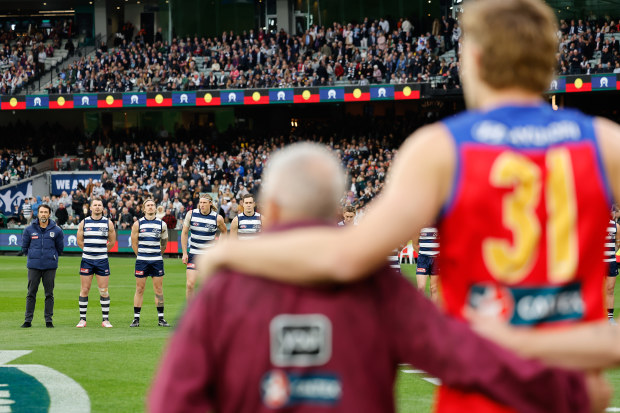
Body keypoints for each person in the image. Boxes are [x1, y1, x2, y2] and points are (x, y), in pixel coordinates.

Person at [199, 0, 620, 411]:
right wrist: (550, 344)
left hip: (478, 398)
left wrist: (233, 250)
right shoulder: (605, 143)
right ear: (551, 59)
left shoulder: (440, 149)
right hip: (569, 394)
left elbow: (348, 256)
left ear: (472, 56)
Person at [150, 143, 604, 413]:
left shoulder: (223, 290)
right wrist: (569, 389)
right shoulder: (378, 286)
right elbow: (466, 356)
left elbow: (173, 401)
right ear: (336, 211)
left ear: (268, 210)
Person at [20, 204, 64, 328]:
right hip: (34, 266)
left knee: (49, 294)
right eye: (41, 212)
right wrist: (34, 256)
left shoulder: (57, 230)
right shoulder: (29, 229)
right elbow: (24, 248)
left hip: (50, 266)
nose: (43, 214)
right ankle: (28, 320)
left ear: (49, 214)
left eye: (45, 212)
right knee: (31, 293)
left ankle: (48, 320)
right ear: (37, 214)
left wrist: (51, 256)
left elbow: (60, 248)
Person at [75, 197, 116, 328]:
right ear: (91, 208)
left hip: (102, 261)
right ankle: (82, 319)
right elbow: (79, 241)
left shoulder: (108, 223)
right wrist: (89, 251)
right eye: (95, 205)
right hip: (87, 260)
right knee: (85, 289)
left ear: (103, 208)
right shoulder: (84, 223)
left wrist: (102, 251)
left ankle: (105, 320)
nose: (97, 207)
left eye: (99, 205)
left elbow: (112, 242)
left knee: (103, 290)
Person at [130, 198, 169, 327]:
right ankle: (136, 319)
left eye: (153, 205)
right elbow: (134, 243)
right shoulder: (138, 224)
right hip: (142, 261)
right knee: (140, 289)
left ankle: (161, 319)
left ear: (156, 208)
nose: (151, 207)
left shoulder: (161, 224)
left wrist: (158, 254)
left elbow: (164, 243)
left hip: (157, 260)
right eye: (148, 205)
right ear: (144, 208)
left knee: (158, 289)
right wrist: (140, 255)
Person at [181, 193, 227, 299]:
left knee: (208, 287)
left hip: (208, 256)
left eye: (204, 203)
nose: (202, 205)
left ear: (210, 203)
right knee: (190, 285)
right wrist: (184, 253)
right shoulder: (191, 214)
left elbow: (224, 232)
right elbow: (184, 233)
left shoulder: (217, 218)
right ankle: (192, 313)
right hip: (194, 254)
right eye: (200, 202)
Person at [415, 226, 440, 304]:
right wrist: (423, 255)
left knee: (434, 288)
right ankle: (421, 311)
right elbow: (415, 244)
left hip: (437, 260)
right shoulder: (420, 224)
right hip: (423, 259)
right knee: (421, 288)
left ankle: (433, 313)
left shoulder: (438, 223)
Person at [605, 207, 620, 324]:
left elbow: (617, 243)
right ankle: (596, 317)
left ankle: (610, 317)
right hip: (598, 265)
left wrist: (612, 253)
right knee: (596, 290)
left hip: (611, 262)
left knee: (610, 290)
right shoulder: (596, 224)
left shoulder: (616, 226)